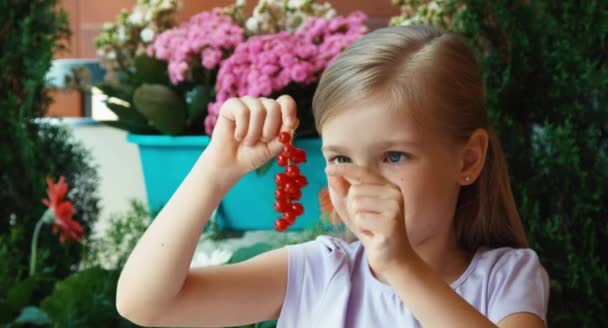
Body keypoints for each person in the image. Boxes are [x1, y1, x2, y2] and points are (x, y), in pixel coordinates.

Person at [116, 25, 550, 328]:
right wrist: (214, 171)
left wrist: (400, 265)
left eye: (394, 156)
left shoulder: (506, 279)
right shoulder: (316, 271)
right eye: (341, 158)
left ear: (468, 160)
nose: (363, 181)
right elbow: (146, 304)